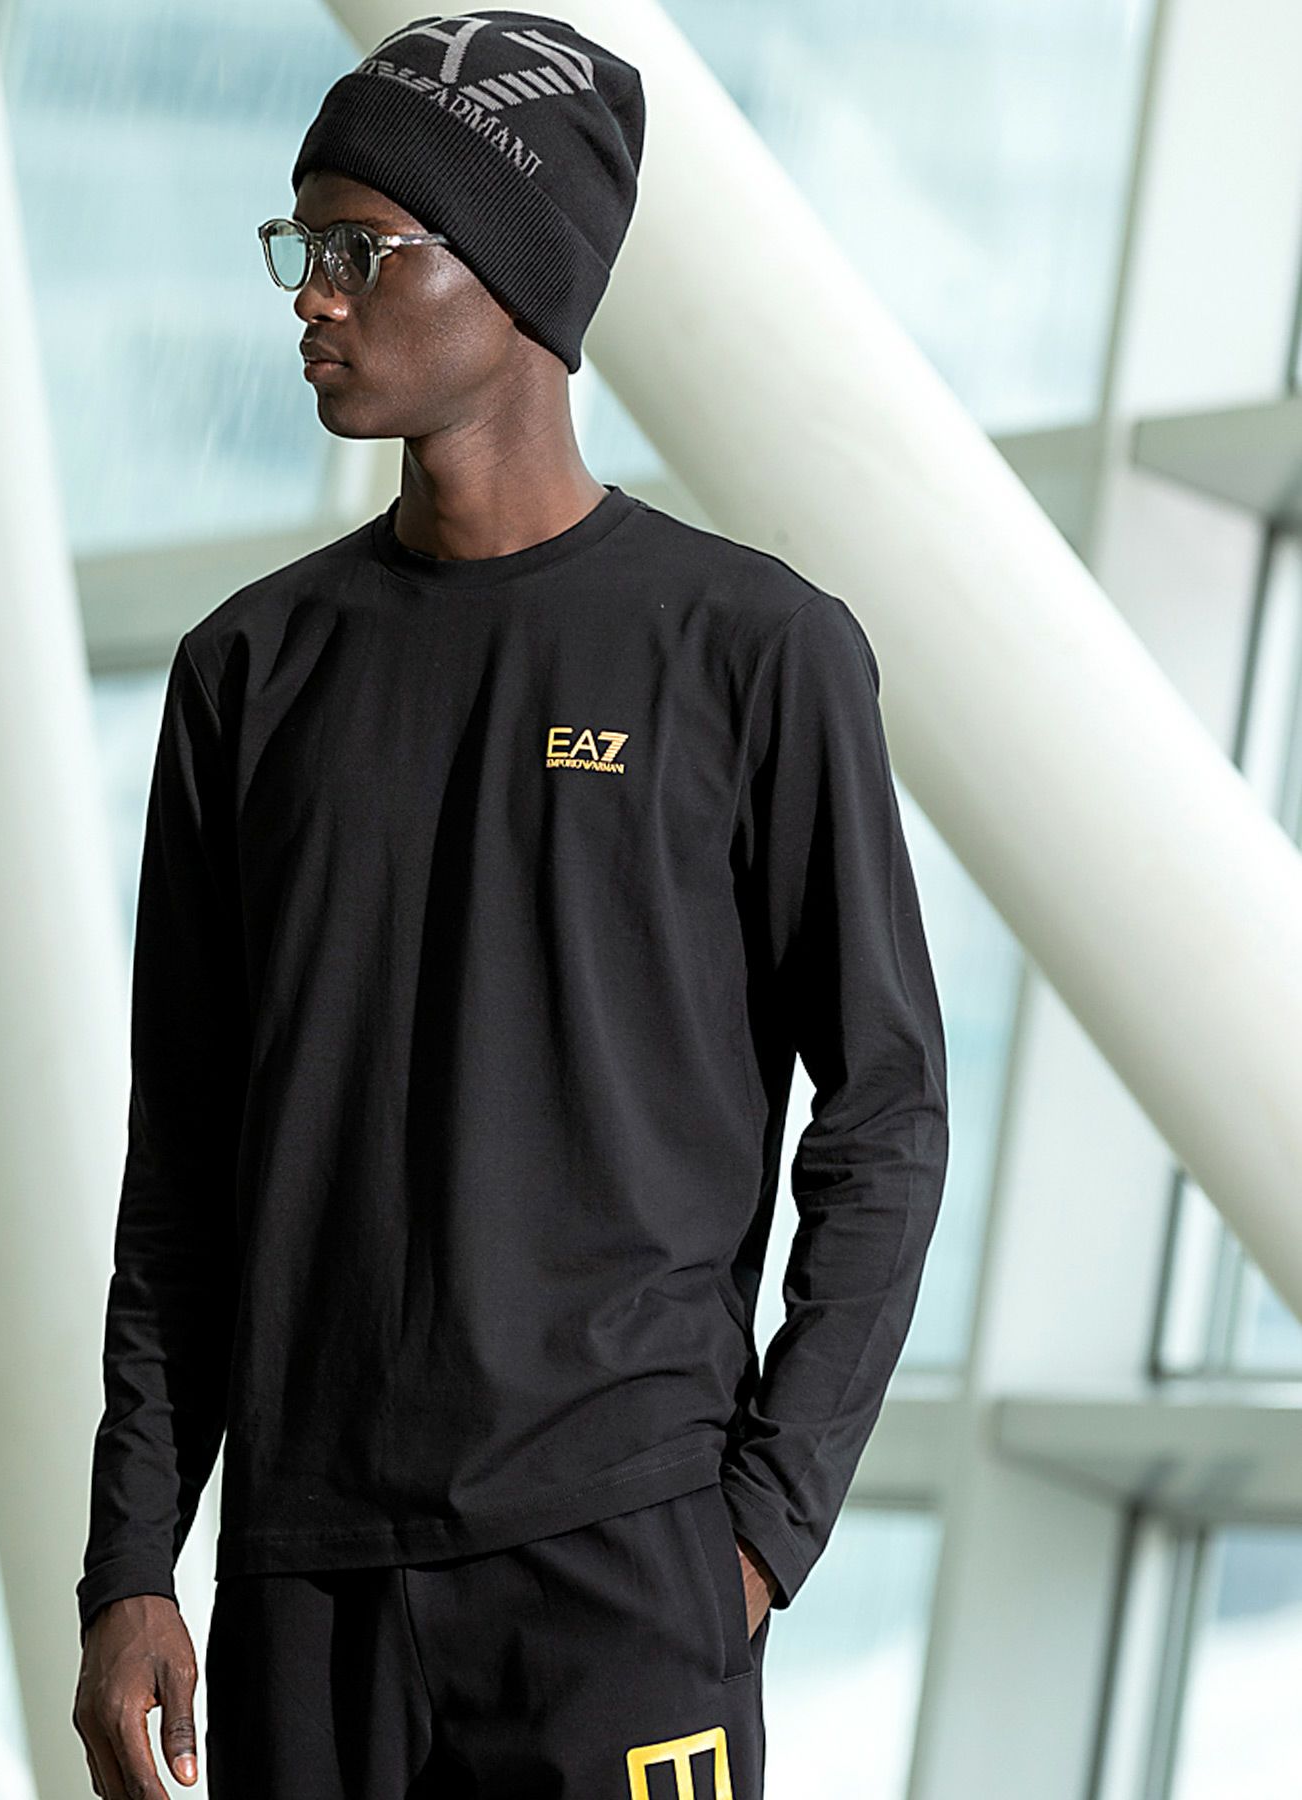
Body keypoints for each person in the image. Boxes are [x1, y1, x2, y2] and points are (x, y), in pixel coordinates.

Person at [71, 11, 950, 1798]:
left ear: (518, 270)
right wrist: (133, 1557)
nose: (309, 299)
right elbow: (184, 1164)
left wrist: (760, 1526)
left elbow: (887, 1113)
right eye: (299, 249)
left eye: (356, 250)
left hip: (622, 1571)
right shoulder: (248, 674)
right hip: (305, 1580)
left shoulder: (754, 654)